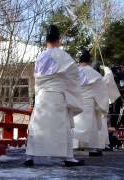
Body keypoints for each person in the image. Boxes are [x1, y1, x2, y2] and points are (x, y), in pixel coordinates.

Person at [25, 25, 84, 167]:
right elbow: (75, 77)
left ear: (46, 40)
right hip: (57, 95)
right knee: (61, 126)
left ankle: (30, 156)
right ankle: (68, 158)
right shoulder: (64, 56)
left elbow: (37, 79)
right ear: (59, 39)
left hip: (42, 95)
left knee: (38, 125)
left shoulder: (40, 57)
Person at [73, 50, 108, 156]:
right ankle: (91, 148)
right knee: (90, 122)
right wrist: (101, 107)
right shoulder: (95, 74)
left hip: (75, 102)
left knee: (74, 123)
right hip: (88, 102)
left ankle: (73, 146)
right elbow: (101, 92)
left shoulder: (72, 72)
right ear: (89, 59)